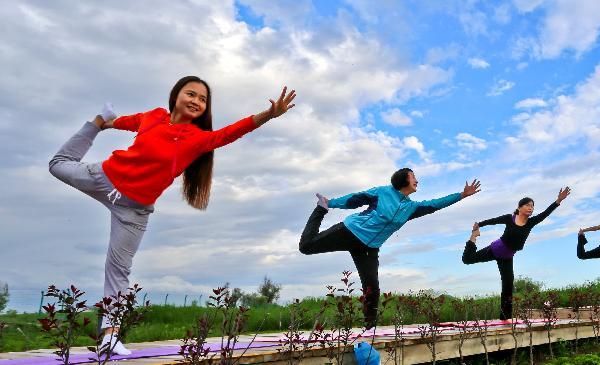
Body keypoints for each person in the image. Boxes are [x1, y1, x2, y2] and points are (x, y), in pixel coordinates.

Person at [48, 76, 296, 355]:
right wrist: (103, 123)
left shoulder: (199, 139)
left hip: (133, 210)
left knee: (118, 269)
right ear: (176, 96)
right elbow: (128, 122)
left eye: (203, 99)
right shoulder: (153, 116)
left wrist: (268, 115)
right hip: (103, 178)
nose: (196, 102)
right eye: (191, 94)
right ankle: (91, 123)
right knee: (57, 165)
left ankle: (111, 335)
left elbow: (231, 132)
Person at [299, 169, 481, 328]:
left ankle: (369, 328)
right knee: (306, 246)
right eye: (413, 177)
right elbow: (356, 199)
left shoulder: (410, 207)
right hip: (351, 231)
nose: (417, 181)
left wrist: (462, 195)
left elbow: (435, 204)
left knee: (372, 288)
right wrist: (330, 203)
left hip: (369, 247)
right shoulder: (383, 192)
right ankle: (320, 208)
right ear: (403, 180)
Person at [462, 187, 571, 319]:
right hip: (495, 249)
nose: (531, 208)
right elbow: (494, 220)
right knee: (467, 259)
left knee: (508, 285)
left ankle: (505, 318)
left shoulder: (531, 222)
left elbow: (546, 213)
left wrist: (558, 200)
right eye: (527, 205)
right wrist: (479, 225)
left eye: (532, 206)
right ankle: (474, 237)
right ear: (519, 207)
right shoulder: (510, 218)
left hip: (507, 257)